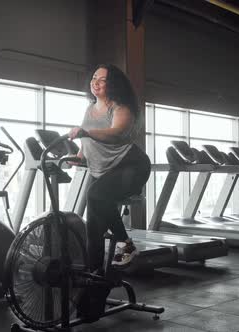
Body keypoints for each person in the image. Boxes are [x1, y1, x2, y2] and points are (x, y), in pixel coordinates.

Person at [69, 64, 151, 272]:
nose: (95, 82)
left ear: (112, 85)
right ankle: (93, 275)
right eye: (94, 77)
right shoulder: (90, 108)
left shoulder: (120, 108)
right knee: (93, 230)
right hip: (103, 170)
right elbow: (86, 141)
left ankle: (127, 245)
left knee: (95, 194)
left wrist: (86, 132)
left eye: (102, 79)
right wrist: (79, 157)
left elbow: (114, 133)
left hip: (131, 166)